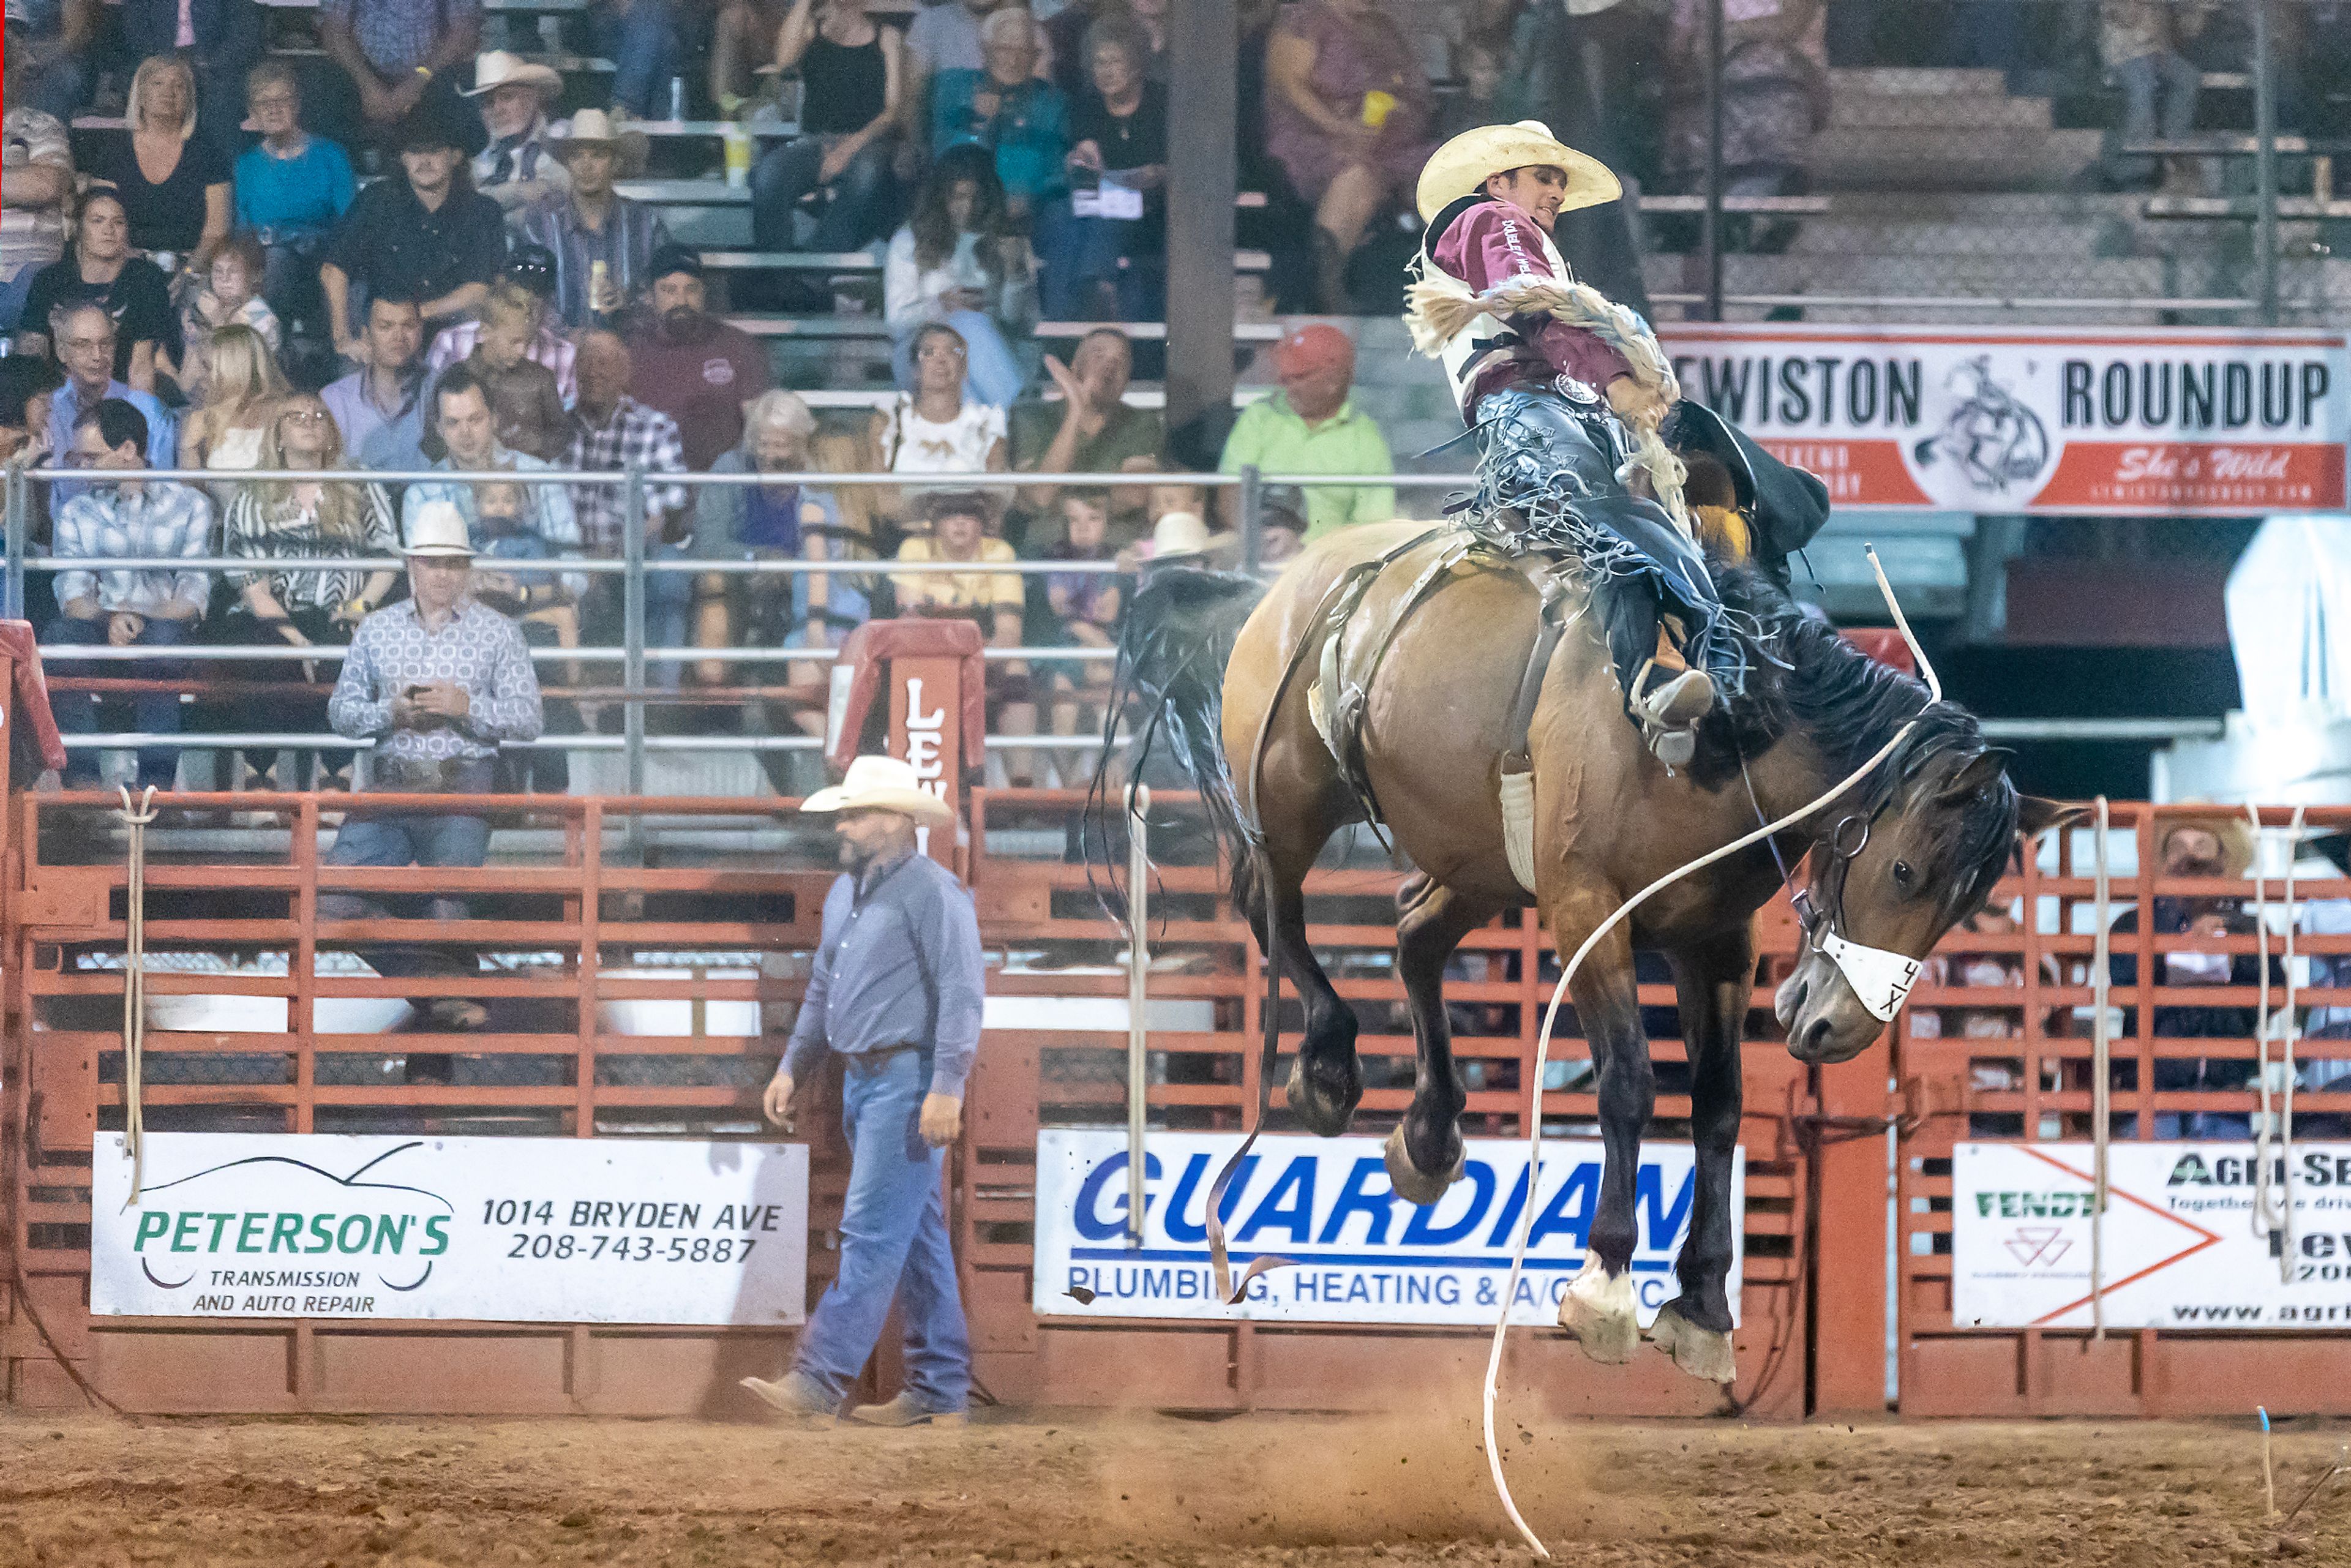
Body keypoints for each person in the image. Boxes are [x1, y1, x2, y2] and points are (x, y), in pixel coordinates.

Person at [1403, 120, 1721, 765]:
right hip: (1529, 405)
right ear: (1500, 182)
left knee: (1633, 516)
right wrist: (1619, 384)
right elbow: (1538, 310)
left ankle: (1667, 670)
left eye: (1561, 183)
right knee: (1611, 515)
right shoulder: (1497, 224)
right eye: (1545, 177)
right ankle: (1657, 674)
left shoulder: (1512, 239)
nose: (1556, 193)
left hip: (1546, 408)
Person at [741, 752, 978, 1428]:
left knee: (873, 1232)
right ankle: (939, 1387)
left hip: (906, 1081)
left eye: (858, 811)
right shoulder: (849, 892)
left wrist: (946, 1086)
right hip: (867, 1076)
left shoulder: (934, 893)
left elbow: (963, 993)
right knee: (916, 1236)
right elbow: (823, 987)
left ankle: (819, 1378)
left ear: (900, 822)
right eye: (844, 811)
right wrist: (793, 1064)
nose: (844, 822)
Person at [323, 499, 544, 1054]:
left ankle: (439, 1021)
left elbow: (530, 719)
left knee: (447, 905)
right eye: (430, 562)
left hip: (463, 780)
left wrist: (466, 706)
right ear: (411, 567)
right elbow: (342, 712)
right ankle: (447, 990)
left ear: (465, 569)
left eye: (451, 563)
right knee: (331, 902)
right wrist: (390, 712)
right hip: (391, 779)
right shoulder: (375, 630)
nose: (441, 573)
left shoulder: (498, 634)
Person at [222, 393, 402, 789]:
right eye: (297, 416)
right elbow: (253, 587)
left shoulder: (358, 482)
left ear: (331, 433)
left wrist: (361, 606)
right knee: (262, 651)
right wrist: (298, 641)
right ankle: (259, 778)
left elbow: (388, 553)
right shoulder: (253, 495)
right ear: (279, 435)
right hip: (275, 616)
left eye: (320, 415)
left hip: (342, 610)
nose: (310, 421)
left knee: (346, 646)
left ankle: (336, 776)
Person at [46, 399, 212, 790]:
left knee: (163, 643)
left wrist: (142, 617)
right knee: (58, 641)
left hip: (165, 626)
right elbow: (72, 591)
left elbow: (194, 589)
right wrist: (111, 619)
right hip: (98, 624)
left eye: (91, 457)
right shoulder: (76, 511)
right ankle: (82, 785)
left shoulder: (191, 505)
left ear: (127, 450)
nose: (81, 468)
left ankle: (154, 789)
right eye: (77, 458)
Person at [691, 389, 868, 696]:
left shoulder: (816, 478)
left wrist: (791, 568)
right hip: (745, 574)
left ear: (802, 444)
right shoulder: (731, 469)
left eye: (781, 445)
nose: (770, 456)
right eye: (763, 444)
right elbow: (708, 543)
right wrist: (758, 558)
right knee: (713, 583)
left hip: (808, 579)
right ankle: (713, 696)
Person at [1264, 0, 1436, 312]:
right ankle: (1322, 283)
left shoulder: (1383, 26)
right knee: (1358, 176)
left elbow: (1411, 89)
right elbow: (1288, 83)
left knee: (1444, 170)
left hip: (1387, 145)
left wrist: (1399, 112)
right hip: (1316, 139)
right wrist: (1340, 128)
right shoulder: (1305, 17)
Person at [2107, 814, 2265, 1139]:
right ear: (2164, 863)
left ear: (2221, 861)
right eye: (2178, 847)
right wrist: (2180, 940)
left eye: (2201, 846)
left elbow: (2270, 993)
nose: (2190, 857)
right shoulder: (2132, 925)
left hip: (2227, 1095)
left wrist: (2235, 951)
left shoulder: (2250, 929)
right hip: (2151, 1097)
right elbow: (2126, 988)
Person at [321, 100, 503, 357]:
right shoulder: (377, 200)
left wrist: (416, 315)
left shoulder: (483, 211)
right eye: (415, 151)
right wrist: (343, 340)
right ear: (403, 158)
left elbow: (480, 289)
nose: (424, 161)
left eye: (434, 151)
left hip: (453, 335)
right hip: (382, 336)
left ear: (455, 156)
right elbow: (334, 269)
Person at [403, 364, 583, 612]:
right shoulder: (421, 494)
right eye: (453, 423)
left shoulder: (536, 474)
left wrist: (525, 594)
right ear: (439, 429)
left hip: (533, 611)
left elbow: (574, 569)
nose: (465, 433)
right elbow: (421, 582)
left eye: (475, 420)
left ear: (495, 420)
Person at [894, 488, 1035, 779]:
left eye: (969, 513)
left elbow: (1010, 633)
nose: (959, 522)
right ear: (935, 521)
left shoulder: (1000, 553)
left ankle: (1021, 785)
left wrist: (973, 663)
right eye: (949, 513)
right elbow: (908, 623)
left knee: (1017, 666)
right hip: (928, 658)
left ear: (982, 522)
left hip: (982, 658)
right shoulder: (915, 550)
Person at [1663, 0, 1826, 252]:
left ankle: (1744, 215)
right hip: (1712, 84)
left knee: (1765, 69)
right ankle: (1727, 221)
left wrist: (1724, 34)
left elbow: (1792, 23)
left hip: (1779, 79)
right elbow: (1679, 45)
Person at [563, 329, 689, 646]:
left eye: (605, 362)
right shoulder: (556, 427)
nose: (595, 371)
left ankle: (662, 692)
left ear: (625, 373)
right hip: (567, 556)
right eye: (587, 362)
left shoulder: (655, 427)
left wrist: (613, 554)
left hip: (632, 554)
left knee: (669, 572)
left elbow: (669, 511)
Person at [750, 0, 906, 257]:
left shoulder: (887, 37)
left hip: (867, 144)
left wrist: (846, 150)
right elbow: (783, 61)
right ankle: (775, 274)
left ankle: (815, 266)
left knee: (867, 172)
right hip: (816, 141)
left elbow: (892, 111)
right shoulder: (812, 29)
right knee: (768, 175)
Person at [883, 148, 1033, 409]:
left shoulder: (1006, 241)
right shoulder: (910, 240)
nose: (968, 207)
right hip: (921, 352)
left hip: (993, 349)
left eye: (976, 198)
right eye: (959, 197)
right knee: (966, 322)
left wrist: (1014, 275)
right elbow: (897, 322)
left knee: (971, 344)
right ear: (941, 197)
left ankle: (993, 433)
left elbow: (1015, 321)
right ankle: (1019, 418)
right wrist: (942, 306)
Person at [1216, 323, 1393, 540]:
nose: (1284, 383)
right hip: (1255, 553)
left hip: (1329, 565)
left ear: (1333, 382)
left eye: (1297, 377)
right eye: (1284, 375)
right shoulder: (1259, 417)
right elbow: (1230, 494)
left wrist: (1312, 555)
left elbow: (1374, 526)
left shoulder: (1366, 439)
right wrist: (1260, 540)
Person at [1044, 13, 1165, 320]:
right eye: (1099, 62)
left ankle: (1088, 302)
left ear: (1137, 63)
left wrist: (1140, 176)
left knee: (1098, 219)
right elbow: (1085, 163)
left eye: (1115, 61)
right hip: (1102, 207)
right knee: (1062, 216)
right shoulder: (1086, 107)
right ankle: (1069, 311)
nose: (1105, 71)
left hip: (1153, 214)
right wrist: (1081, 160)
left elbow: (1167, 172)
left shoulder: (1163, 104)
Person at [513, 111, 672, 330]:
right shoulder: (540, 225)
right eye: (577, 156)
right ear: (567, 162)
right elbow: (520, 296)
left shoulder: (645, 224)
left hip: (630, 352)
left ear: (615, 162)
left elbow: (669, 293)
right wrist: (567, 339)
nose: (586, 166)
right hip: (559, 356)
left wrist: (627, 304)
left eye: (597, 155)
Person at [233, 62, 357, 337]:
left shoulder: (331, 155)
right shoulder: (247, 165)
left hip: (325, 260)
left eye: (282, 100)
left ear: (297, 104)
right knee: (268, 264)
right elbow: (243, 231)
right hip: (270, 267)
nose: (274, 108)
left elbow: (352, 224)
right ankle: (264, 355)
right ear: (253, 113)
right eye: (264, 103)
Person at [628, 246, 774, 471]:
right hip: (652, 485)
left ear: (704, 293)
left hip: (722, 486)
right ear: (650, 297)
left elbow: (759, 427)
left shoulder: (737, 346)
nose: (682, 301)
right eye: (669, 290)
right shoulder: (629, 351)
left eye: (691, 289)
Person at [928, 8, 1070, 230]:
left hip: (1033, 212)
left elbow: (1058, 170)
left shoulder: (1051, 103)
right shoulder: (957, 89)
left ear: (1035, 57)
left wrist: (1031, 199)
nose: (1013, 61)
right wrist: (982, 128)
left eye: (1023, 51)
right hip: (968, 207)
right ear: (985, 51)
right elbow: (946, 159)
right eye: (1004, 49)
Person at [1010, 326, 1160, 535]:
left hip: (1117, 545)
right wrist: (1075, 412)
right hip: (1045, 545)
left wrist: (1066, 503)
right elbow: (1041, 495)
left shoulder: (1141, 421)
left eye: (1121, 362)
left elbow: (1134, 495)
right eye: (1099, 356)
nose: (1110, 366)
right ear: (1074, 368)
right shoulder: (1032, 416)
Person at [18, 194, 176, 391]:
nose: (108, 230)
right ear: (78, 227)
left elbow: (142, 363)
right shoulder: (50, 279)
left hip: (122, 396)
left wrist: (135, 417)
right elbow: (31, 352)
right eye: (97, 221)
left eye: (118, 222)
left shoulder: (146, 278)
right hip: (58, 395)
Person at [88, 56, 234, 269]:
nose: (168, 92)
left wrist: (188, 272)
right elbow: (100, 221)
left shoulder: (209, 154)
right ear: (141, 93)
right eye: (158, 83)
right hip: (127, 265)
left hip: (192, 265)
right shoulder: (113, 151)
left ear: (190, 99)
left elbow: (216, 231)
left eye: (179, 86)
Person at [876, 324, 1010, 517]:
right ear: (915, 368)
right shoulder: (890, 420)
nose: (940, 360)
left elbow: (994, 497)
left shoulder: (986, 423)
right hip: (908, 537)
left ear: (964, 366)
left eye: (952, 352)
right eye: (929, 353)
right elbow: (883, 500)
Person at [425, 247, 580, 407]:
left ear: (550, 299)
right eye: (520, 291)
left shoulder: (564, 355)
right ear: (500, 287)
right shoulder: (451, 343)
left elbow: (564, 426)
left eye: (538, 293)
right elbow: (431, 415)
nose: (529, 300)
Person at [117, 0, 265, 164]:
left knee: (221, 106)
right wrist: (166, 62)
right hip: (160, 62)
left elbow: (244, 29)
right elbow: (136, 29)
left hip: (214, 66)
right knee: (159, 93)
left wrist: (213, 63)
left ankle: (221, 178)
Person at [437, 280, 571, 460]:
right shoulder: (455, 380)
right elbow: (434, 442)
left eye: (528, 341)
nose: (522, 350)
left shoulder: (540, 380)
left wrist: (538, 443)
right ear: (486, 331)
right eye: (514, 342)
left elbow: (561, 437)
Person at [320, 0, 486, 138]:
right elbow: (333, 28)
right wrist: (367, 85)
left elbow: (465, 30)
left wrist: (417, 82)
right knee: (326, 99)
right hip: (362, 77)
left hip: (434, 76)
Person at [42, 304, 177, 471]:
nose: (97, 356)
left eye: (106, 344)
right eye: (83, 345)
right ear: (61, 351)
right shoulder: (49, 407)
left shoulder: (148, 410)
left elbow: (165, 485)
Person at [2099, 0, 2210, 193]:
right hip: (2123, 52)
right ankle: (2136, 170)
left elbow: (2187, 30)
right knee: (2143, 87)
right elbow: (2126, 16)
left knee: (2188, 78)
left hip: (2157, 52)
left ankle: (2176, 151)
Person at [1038, 484, 1120, 745]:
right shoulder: (1057, 560)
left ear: (1108, 524)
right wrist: (1107, 651)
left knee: (1108, 701)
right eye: (1074, 520)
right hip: (1071, 648)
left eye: (1093, 519)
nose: (1083, 528)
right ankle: (1067, 783)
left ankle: (1112, 769)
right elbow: (1062, 611)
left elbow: (1108, 612)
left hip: (1102, 647)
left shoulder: (1113, 560)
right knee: (1064, 699)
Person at [2, 55, 75, 336]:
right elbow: (31, 186)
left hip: (28, 271)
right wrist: (16, 184)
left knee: (41, 286)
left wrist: (27, 187)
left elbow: (47, 186)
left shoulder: (41, 126)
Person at [322, 294, 431, 471]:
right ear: (366, 336)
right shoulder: (336, 399)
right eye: (386, 326)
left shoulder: (439, 390)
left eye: (409, 326)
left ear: (421, 331)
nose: (399, 336)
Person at [178, 324, 287, 501]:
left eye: (208, 367)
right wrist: (188, 450)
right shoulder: (202, 419)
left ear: (232, 368)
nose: (201, 375)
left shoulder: (285, 413)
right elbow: (192, 498)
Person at [176, 233, 282, 406]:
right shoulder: (205, 309)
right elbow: (186, 382)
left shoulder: (263, 317)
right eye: (217, 271)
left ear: (255, 276)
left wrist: (217, 322)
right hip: (201, 402)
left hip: (246, 404)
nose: (224, 279)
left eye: (233, 271)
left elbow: (238, 379)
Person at [463, 49, 569, 216]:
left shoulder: (563, 141)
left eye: (507, 97)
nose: (497, 110)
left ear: (532, 99)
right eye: (489, 103)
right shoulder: (476, 163)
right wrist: (520, 192)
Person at [0, 356, 64, 468]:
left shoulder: (48, 438)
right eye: (43, 401)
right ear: (19, 400)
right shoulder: (8, 442)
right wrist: (29, 460)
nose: (50, 408)